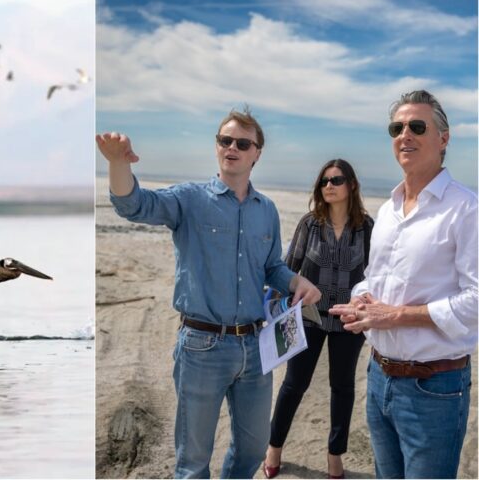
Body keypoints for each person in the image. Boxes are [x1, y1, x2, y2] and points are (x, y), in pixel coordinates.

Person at [96, 107, 321, 479]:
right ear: (217, 147)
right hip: (202, 347)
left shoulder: (266, 209)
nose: (232, 147)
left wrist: (296, 282)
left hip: (254, 347)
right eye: (225, 140)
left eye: (242, 143)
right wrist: (118, 164)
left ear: (256, 153)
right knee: (194, 460)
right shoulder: (190, 199)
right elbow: (134, 205)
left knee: (252, 448)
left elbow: (270, 268)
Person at [329, 90, 477, 479]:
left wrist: (395, 315)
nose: (404, 134)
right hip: (379, 378)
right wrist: (362, 300)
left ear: (443, 138)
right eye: (397, 127)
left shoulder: (467, 209)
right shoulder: (388, 209)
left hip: (434, 387)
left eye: (417, 126)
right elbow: (377, 277)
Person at [263, 159, 374, 479]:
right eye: (324, 181)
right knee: (294, 384)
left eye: (337, 180)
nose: (329, 185)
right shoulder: (309, 224)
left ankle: (334, 456)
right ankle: (274, 448)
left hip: (348, 322)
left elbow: (376, 275)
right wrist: (273, 310)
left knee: (342, 387)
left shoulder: (367, 228)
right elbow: (287, 269)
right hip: (307, 318)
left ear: (351, 185)